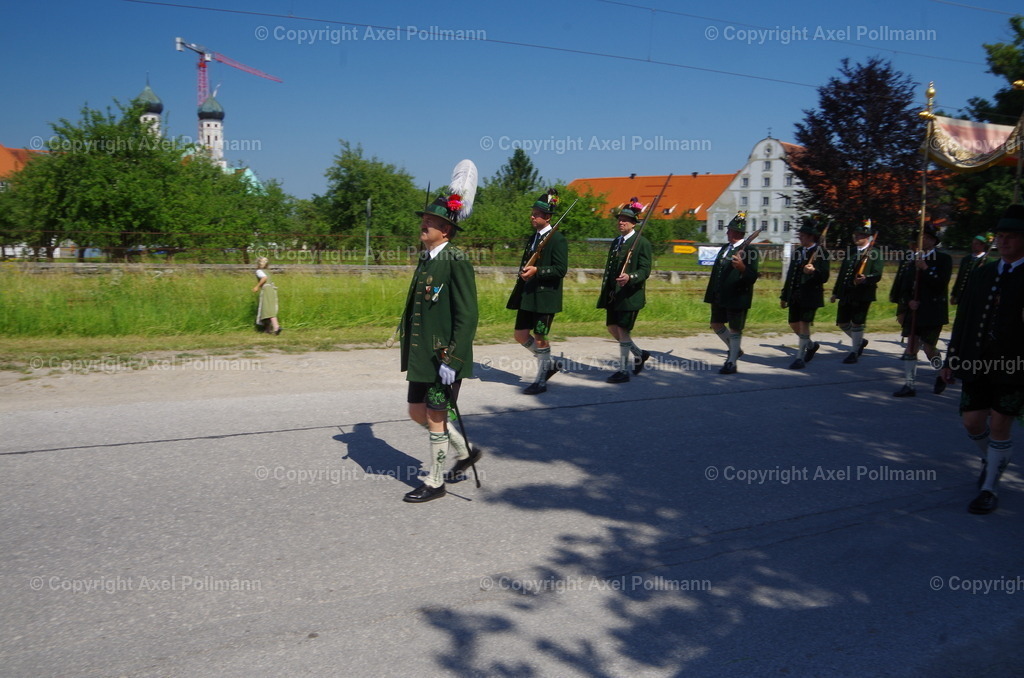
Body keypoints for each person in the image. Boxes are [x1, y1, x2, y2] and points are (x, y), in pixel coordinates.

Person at [399, 161, 480, 504]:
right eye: (424, 221)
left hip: (445, 357)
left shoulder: (456, 260)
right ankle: (466, 450)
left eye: (431, 222)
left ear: (446, 230)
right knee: (416, 412)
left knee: (435, 415)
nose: (424, 225)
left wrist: (455, 358)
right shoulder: (427, 259)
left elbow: (468, 315)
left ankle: (435, 482)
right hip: (422, 355)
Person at [939, 204, 1024, 515]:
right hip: (977, 362)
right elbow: (963, 320)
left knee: (1001, 426)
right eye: (1000, 236)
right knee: (972, 422)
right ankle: (994, 458)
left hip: (1015, 368)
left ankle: (990, 487)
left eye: (1011, 237)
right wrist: (951, 359)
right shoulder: (982, 273)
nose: (1003, 242)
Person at [507, 190, 569, 395]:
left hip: (545, 298)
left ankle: (541, 380)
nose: (532, 216)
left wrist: (538, 271)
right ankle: (549, 363)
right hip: (528, 294)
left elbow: (561, 270)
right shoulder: (533, 237)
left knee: (540, 336)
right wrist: (525, 273)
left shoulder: (557, 239)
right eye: (532, 213)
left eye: (536, 214)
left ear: (548, 217)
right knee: (520, 335)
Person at [890, 225, 952, 397]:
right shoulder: (912, 259)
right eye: (919, 237)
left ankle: (941, 372)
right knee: (911, 346)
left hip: (933, 311)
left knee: (929, 348)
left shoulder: (943, 259)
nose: (921, 240)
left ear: (933, 240)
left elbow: (941, 284)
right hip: (914, 311)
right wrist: (908, 301)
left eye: (925, 237)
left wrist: (925, 268)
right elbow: (904, 285)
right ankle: (909, 384)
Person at [596, 197, 652, 383]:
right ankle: (639, 354)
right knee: (612, 328)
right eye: (619, 219)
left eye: (625, 220)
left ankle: (622, 370)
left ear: (633, 223)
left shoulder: (641, 242)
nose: (621, 222)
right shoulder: (616, 242)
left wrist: (630, 277)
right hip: (614, 294)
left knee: (623, 329)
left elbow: (645, 270)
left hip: (630, 295)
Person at [704, 212, 760, 374]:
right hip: (720, 294)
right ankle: (735, 350)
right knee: (716, 324)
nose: (727, 232)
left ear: (737, 233)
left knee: (735, 328)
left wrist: (742, 268)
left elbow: (753, 276)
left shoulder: (751, 251)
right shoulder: (725, 248)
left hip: (737, 295)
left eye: (730, 230)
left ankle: (732, 361)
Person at [831, 221, 884, 364]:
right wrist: (836, 292)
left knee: (857, 322)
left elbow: (877, 274)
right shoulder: (852, 252)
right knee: (842, 322)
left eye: (859, 235)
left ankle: (854, 352)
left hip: (862, 293)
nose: (856, 237)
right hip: (847, 292)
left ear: (867, 237)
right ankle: (860, 341)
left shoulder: (875, 253)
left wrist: (866, 279)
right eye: (855, 235)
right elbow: (843, 273)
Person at [780, 219, 829, 369]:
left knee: (803, 324)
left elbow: (825, 277)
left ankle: (800, 357)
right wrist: (784, 295)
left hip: (810, 295)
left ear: (810, 236)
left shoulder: (821, 253)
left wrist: (814, 271)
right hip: (795, 295)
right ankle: (811, 345)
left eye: (801, 235)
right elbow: (790, 275)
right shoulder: (798, 252)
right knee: (793, 324)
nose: (799, 237)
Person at [950, 233, 992, 306]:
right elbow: (960, 278)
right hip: (963, 296)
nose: (973, 245)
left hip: (978, 298)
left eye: (976, 244)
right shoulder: (966, 259)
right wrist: (954, 294)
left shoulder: (989, 261)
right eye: (973, 243)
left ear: (983, 245)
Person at [252, 256, 281, 334]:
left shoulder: (259, 271)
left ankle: (275, 327)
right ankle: (271, 328)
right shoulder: (267, 271)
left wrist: (257, 286)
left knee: (267, 309)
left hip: (267, 290)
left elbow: (264, 278)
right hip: (271, 290)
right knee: (269, 309)